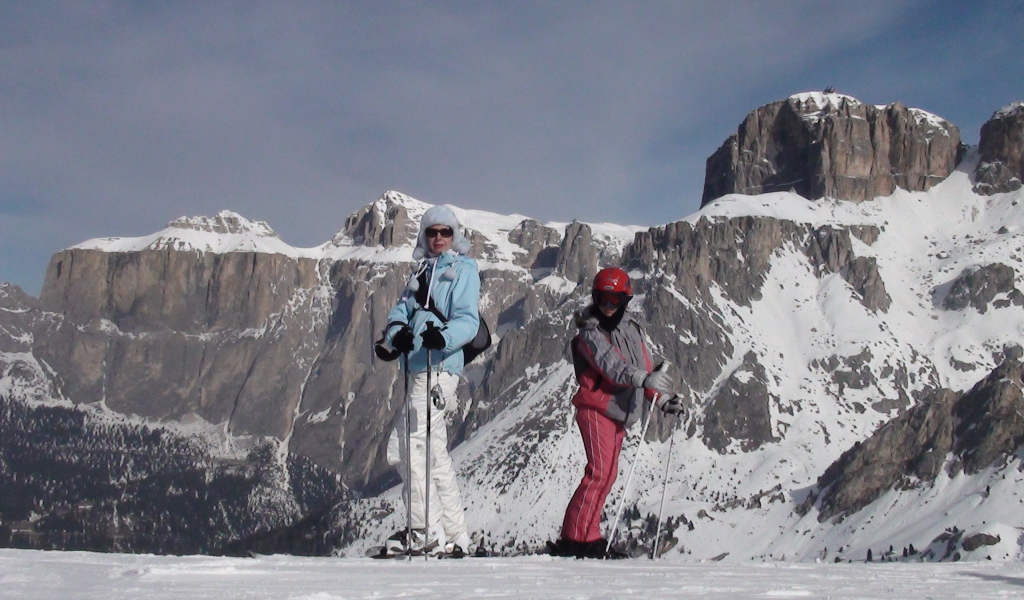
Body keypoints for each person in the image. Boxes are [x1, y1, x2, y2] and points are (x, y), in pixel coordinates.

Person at [548, 267, 683, 559]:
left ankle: (589, 536)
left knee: (607, 475)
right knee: (599, 473)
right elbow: (611, 366)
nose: (608, 306)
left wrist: (662, 399)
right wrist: (644, 380)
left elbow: (646, 369)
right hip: (596, 408)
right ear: (595, 298)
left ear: (625, 300)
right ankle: (575, 540)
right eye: (603, 299)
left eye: (615, 300)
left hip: (621, 411)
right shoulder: (589, 333)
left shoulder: (632, 330)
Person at [375, 205, 479, 557]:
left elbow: (469, 319)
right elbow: (400, 311)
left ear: (455, 236)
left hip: (441, 367)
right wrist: (397, 333)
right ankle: (454, 534)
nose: (438, 238)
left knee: (408, 445)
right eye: (432, 232)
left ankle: (423, 531)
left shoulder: (463, 268)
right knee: (432, 453)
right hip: (418, 366)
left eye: (445, 232)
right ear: (424, 235)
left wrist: (444, 337)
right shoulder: (420, 270)